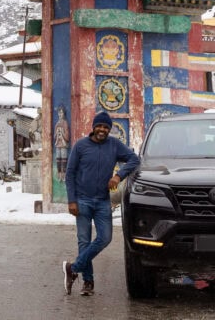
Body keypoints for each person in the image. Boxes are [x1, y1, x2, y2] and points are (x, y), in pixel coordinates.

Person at [62, 111, 140, 297]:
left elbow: (134, 159)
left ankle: (73, 268)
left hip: (103, 201)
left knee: (105, 238)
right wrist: (72, 200)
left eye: (106, 127)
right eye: (100, 126)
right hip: (82, 200)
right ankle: (88, 283)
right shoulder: (80, 146)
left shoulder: (114, 145)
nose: (102, 130)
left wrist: (118, 175)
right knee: (84, 241)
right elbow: (70, 174)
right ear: (93, 127)